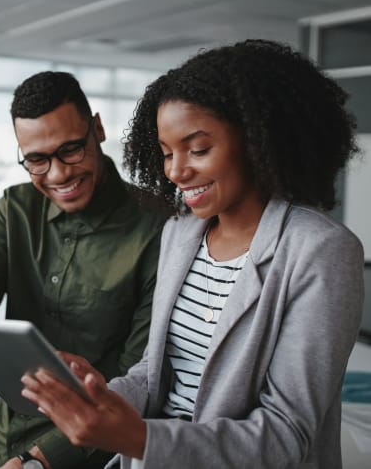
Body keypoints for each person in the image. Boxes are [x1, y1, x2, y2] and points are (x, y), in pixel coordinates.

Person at [21, 40, 365, 469]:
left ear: (257, 138)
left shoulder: (321, 251)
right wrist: (96, 396)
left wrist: (141, 437)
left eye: (198, 149)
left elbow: (285, 435)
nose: (175, 171)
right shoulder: (181, 232)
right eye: (166, 153)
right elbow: (153, 374)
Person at [0, 72, 166, 469]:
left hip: (90, 442)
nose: (58, 175)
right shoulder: (15, 208)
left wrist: (41, 461)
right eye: (37, 160)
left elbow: (138, 376)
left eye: (71, 150)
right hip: (5, 425)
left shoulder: (158, 227)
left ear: (98, 129)